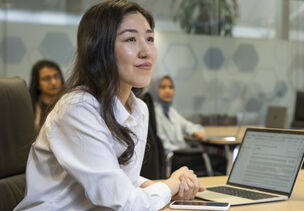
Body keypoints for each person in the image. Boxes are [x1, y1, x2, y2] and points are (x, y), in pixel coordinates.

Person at [15, 1, 203, 210]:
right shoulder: (77, 109)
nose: (146, 51)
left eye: (150, 39)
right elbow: (123, 203)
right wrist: (170, 184)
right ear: (99, 48)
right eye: (130, 39)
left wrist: (162, 185)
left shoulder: (139, 109)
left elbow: (121, 178)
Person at [150, 75, 206, 154]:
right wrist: (181, 150)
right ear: (155, 90)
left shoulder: (171, 112)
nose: (168, 91)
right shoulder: (153, 113)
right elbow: (161, 144)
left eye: (171, 87)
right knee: (218, 161)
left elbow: (187, 126)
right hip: (171, 157)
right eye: (163, 87)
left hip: (179, 154)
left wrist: (196, 131)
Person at [29, 60, 64, 130]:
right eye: (46, 78)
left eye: (56, 76)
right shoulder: (30, 106)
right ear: (37, 83)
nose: (53, 82)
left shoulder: (69, 103)